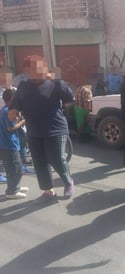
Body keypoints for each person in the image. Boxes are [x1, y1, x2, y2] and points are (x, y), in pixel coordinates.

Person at [8, 55, 75, 200]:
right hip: (33, 130)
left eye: (35, 70)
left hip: (55, 128)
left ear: (43, 68)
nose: (31, 74)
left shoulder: (56, 84)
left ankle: (68, 182)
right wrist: (13, 111)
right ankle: (48, 189)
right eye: (28, 71)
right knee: (39, 161)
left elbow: (70, 99)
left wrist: (61, 109)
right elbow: (16, 103)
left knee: (56, 158)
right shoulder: (24, 85)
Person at [0, 88, 29, 199]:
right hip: (9, 144)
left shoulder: (5, 110)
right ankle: (12, 191)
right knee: (17, 169)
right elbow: (10, 128)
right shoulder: (8, 111)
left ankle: (15, 186)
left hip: (6, 144)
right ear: (12, 99)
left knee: (11, 168)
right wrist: (23, 121)